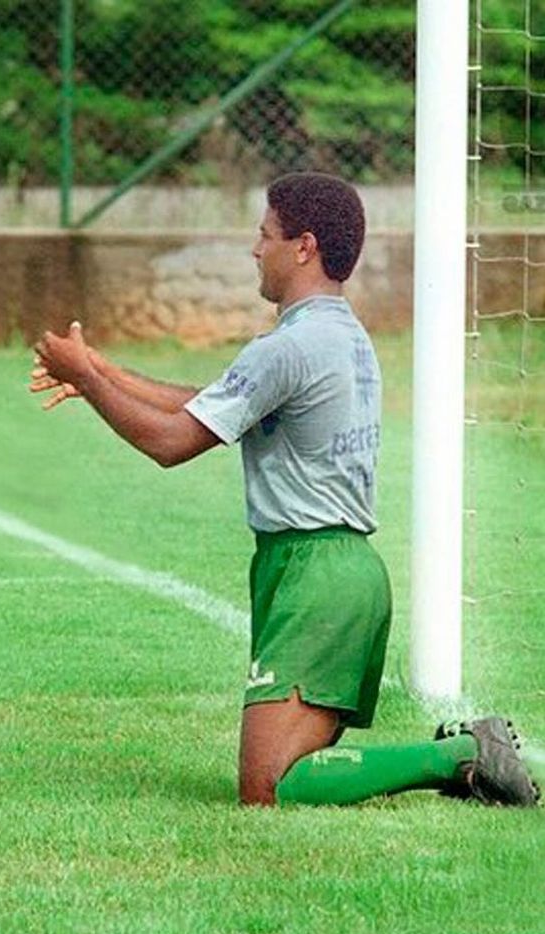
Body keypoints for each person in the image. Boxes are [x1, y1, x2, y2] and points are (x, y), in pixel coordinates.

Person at [30, 171, 539, 808]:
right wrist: (102, 373)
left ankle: (459, 754)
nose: (254, 249)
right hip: (331, 571)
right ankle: (458, 759)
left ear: (303, 246)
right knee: (288, 771)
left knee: (269, 786)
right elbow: (214, 406)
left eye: (264, 234)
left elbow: (171, 443)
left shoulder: (290, 345)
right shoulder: (338, 335)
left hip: (315, 576)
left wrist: (89, 380)